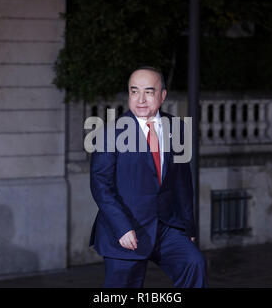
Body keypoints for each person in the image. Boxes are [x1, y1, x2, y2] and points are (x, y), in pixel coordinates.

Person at [89, 66, 208, 288]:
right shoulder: (110, 133)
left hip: (166, 227)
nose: (141, 99)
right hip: (126, 229)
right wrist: (122, 227)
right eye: (134, 91)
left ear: (162, 95)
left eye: (149, 92)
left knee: (194, 263)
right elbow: (100, 185)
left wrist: (188, 227)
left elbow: (182, 183)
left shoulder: (177, 128)